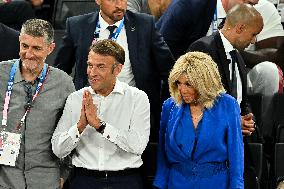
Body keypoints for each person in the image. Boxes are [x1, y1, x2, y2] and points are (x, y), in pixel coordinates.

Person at [54, 0, 174, 142]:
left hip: (130, 114)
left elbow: (169, 70)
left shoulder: (144, 25)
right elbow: (60, 72)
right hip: (89, 111)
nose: (120, 5)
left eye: (124, 0)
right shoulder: (77, 26)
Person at [52, 39, 150, 189]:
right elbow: (58, 149)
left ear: (118, 69)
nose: (92, 73)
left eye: (101, 67)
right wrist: (80, 126)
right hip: (83, 180)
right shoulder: (76, 98)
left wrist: (101, 126)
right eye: (90, 65)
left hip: (126, 181)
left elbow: (137, 146)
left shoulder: (137, 98)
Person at [0, 19, 75, 188]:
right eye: (25, 46)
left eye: (37, 48)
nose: (29, 53)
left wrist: (65, 173)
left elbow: (71, 131)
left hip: (46, 180)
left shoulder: (63, 83)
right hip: (5, 180)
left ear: (51, 48)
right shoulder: (1, 74)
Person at [153, 51, 244, 189]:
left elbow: (236, 154)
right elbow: (162, 154)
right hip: (177, 183)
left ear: (204, 84)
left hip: (215, 183)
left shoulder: (227, 105)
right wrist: (159, 184)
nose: (182, 90)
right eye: (179, 83)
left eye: (188, 84)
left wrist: (237, 186)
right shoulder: (169, 106)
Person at [188, 4, 263, 136]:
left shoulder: (238, 57)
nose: (253, 41)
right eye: (253, 34)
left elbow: (242, 101)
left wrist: (248, 121)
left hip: (234, 143)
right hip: (208, 143)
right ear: (240, 28)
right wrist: (233, 121)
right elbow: (197, 101)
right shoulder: (203, 49)